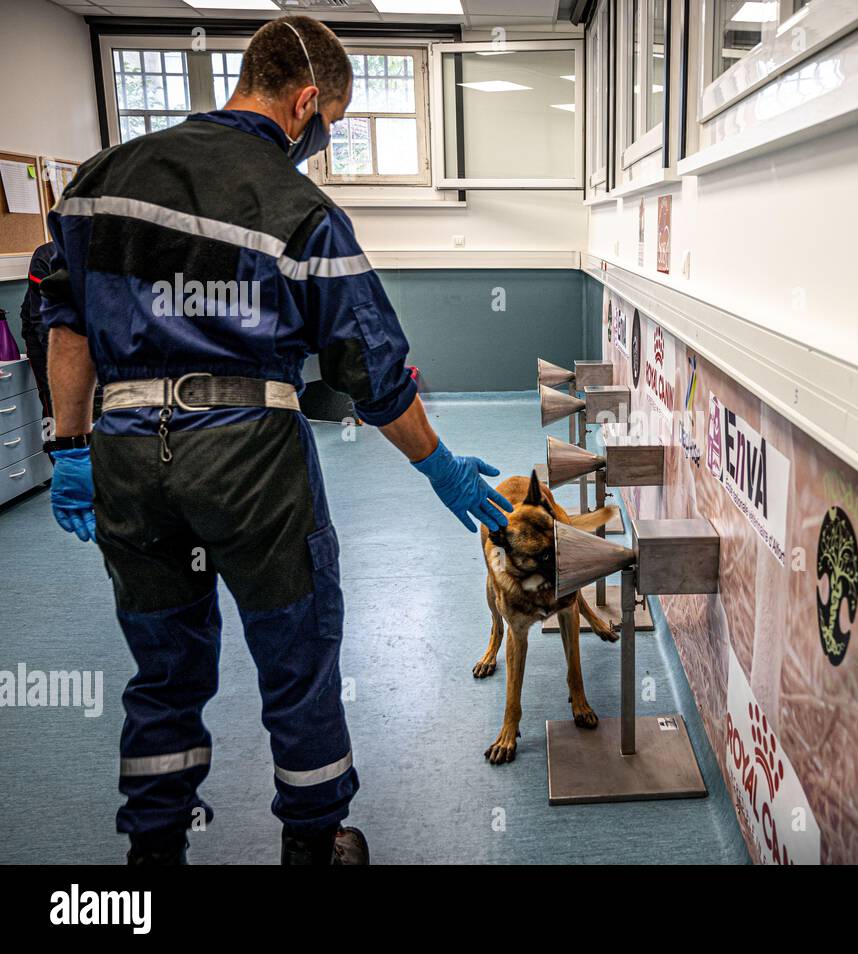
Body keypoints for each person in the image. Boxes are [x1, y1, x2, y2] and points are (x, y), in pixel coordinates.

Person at [40, 14, 511, 865]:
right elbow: (371, 371)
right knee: (296, 655)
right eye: (324, 126)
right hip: (249, 458)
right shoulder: (300, 208)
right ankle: (313, 840)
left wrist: (69, 449)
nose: (319, 143)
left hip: (125, 454)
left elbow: (64, 323)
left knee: (164, 669)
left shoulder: (99, 180)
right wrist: (437, 465)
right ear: (303, 104)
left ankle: (152, 854)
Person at [19, 241, 56, 424]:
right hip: (42, 334)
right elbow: (42, 320)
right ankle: (58, 451)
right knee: (55, 402)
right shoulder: (46, 257)